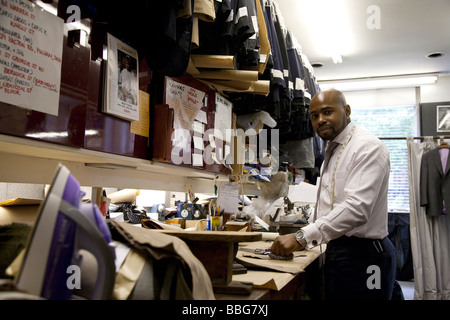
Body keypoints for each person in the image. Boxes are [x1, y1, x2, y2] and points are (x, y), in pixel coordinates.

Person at [270, 89, 396, 300]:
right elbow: (330, 203)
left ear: (346, 110)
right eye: (314, 116)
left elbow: (357, 209)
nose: (320, 120)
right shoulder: (335, 148)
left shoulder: (367, 147)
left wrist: (302, 237)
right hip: (341, 251)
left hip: (366, 256)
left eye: (327, 112)